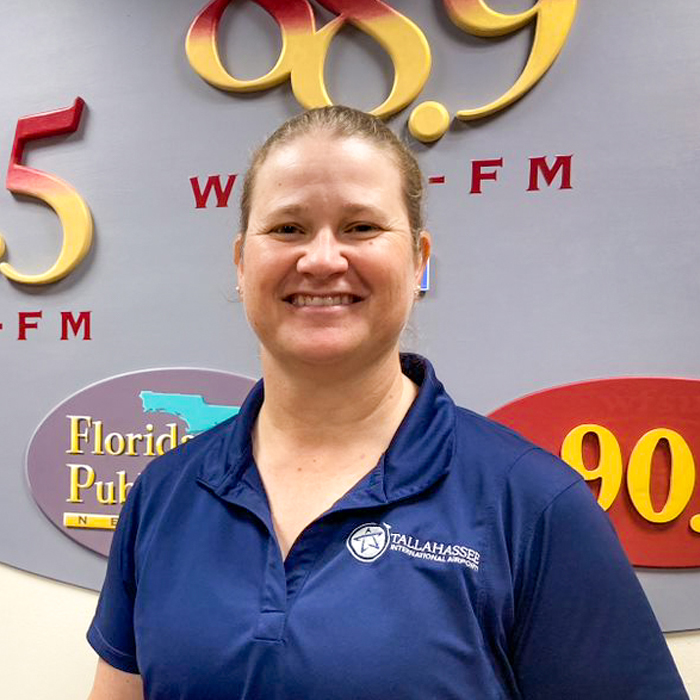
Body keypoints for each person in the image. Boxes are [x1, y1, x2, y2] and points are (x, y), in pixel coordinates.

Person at [87, 106, 688, 700]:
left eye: (361, 227)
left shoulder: (530, 506)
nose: (322, 259)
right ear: (243, 263)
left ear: (419, 260)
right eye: (288, 228)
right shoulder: (165, 494)